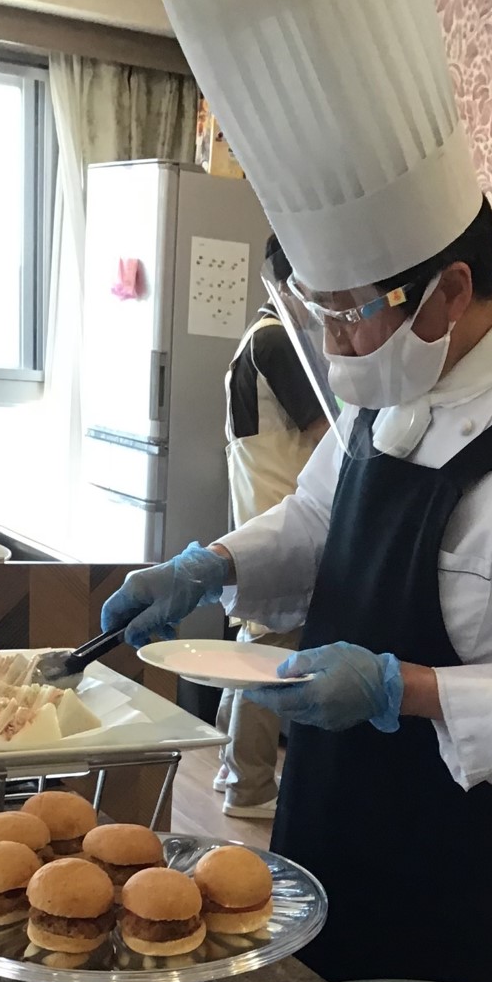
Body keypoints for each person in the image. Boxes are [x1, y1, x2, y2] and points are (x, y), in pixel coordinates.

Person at [104, 0, 492, 982]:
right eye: (318, 313)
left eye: (350, 313)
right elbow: (319, 519)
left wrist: (407, 692)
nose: (336, 343)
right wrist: (209, 565)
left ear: (449, 291)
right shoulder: (389, 385)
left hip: (460, 860)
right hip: (329, 808)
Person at [215, 234, 328, 820]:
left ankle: (228, 764)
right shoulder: (279, 341)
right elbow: (326, 434)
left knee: (252, 642)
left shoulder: (255, 338)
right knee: (271, 650)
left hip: (258, 505)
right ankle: (251, 785)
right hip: (281, 507)